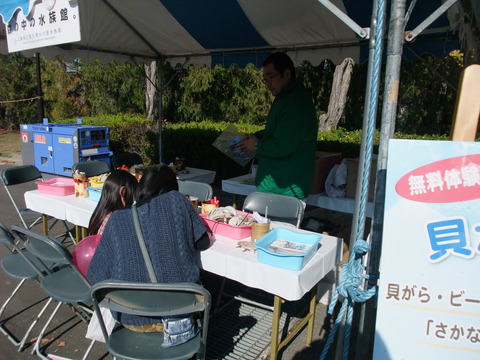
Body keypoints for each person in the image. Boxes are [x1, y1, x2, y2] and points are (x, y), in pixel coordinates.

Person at [87, 164, 209, 340]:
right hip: (180, 313)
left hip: (130, 318)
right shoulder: (177, 200)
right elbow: (203, 242)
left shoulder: (116, 219)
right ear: (172, 186)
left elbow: (96, 276)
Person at [239, 52, 318, 199]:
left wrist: (256, 145)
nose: (268, 84)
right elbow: (277, 131)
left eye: (270, 77)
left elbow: (284, 145)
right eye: (265, 79)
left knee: (273, 223)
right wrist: (256, 136)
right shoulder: (285, 97)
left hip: (285, 187)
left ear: (286, 74)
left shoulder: (295, 103)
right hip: (276, 184)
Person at [87, 169, 138, 236]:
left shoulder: (100, 214)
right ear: (123, 192)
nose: (133, 201)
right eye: (132, 196)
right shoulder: (116, 221)